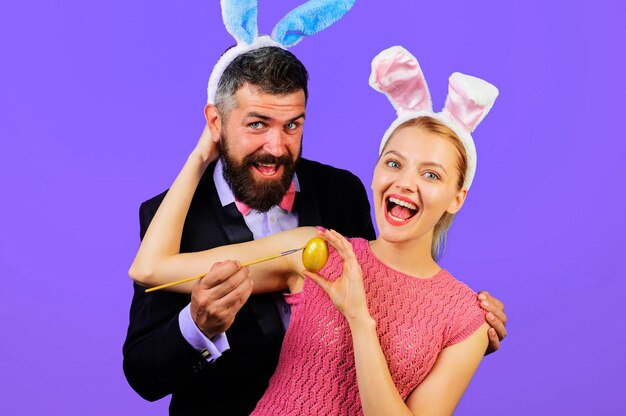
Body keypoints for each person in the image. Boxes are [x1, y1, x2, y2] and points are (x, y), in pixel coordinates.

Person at [129, 46, 504, 414]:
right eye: (257, 123)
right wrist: (198, 158)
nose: (276, 146)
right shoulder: (308, 245)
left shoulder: (340, 196)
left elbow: (400, 286)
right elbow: (148, 284)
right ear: (217, 124)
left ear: (458, 196)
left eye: (292, 124)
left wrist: (446, 326)